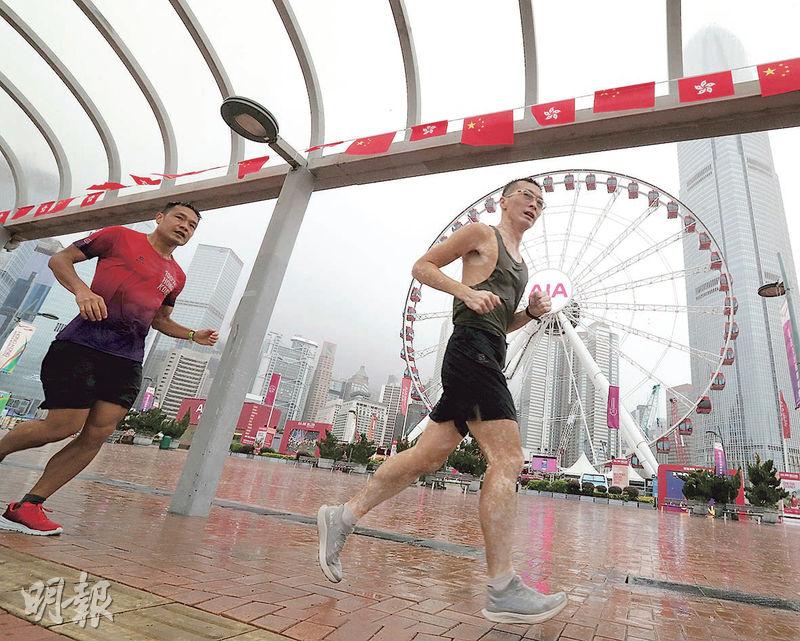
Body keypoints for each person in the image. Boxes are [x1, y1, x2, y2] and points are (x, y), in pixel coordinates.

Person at [317, 178, 568, 624]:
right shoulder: (479, 234)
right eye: (526, 195)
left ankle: (342, 516)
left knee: (426, 457)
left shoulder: (523, 266)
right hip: (469, 351)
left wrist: (528, 314)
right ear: (504, 201)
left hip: (487, 349)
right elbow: (422, 266)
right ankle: (502, 587)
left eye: (540, 201)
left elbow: (499, 321)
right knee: (508, 459)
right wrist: (465, 292)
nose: (534, 203)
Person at [0, 202, 219, 536]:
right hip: (81, 345)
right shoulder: (118, 237)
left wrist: (192, 334)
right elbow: (60, 260)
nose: (185, 226)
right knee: (63, 425)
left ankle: (28, 506)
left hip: (127, 359)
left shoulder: (177, 276)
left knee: (98, 433)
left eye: (192, 225)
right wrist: (82, 291)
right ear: (159, 217)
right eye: (179, 218)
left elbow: (159, 320)